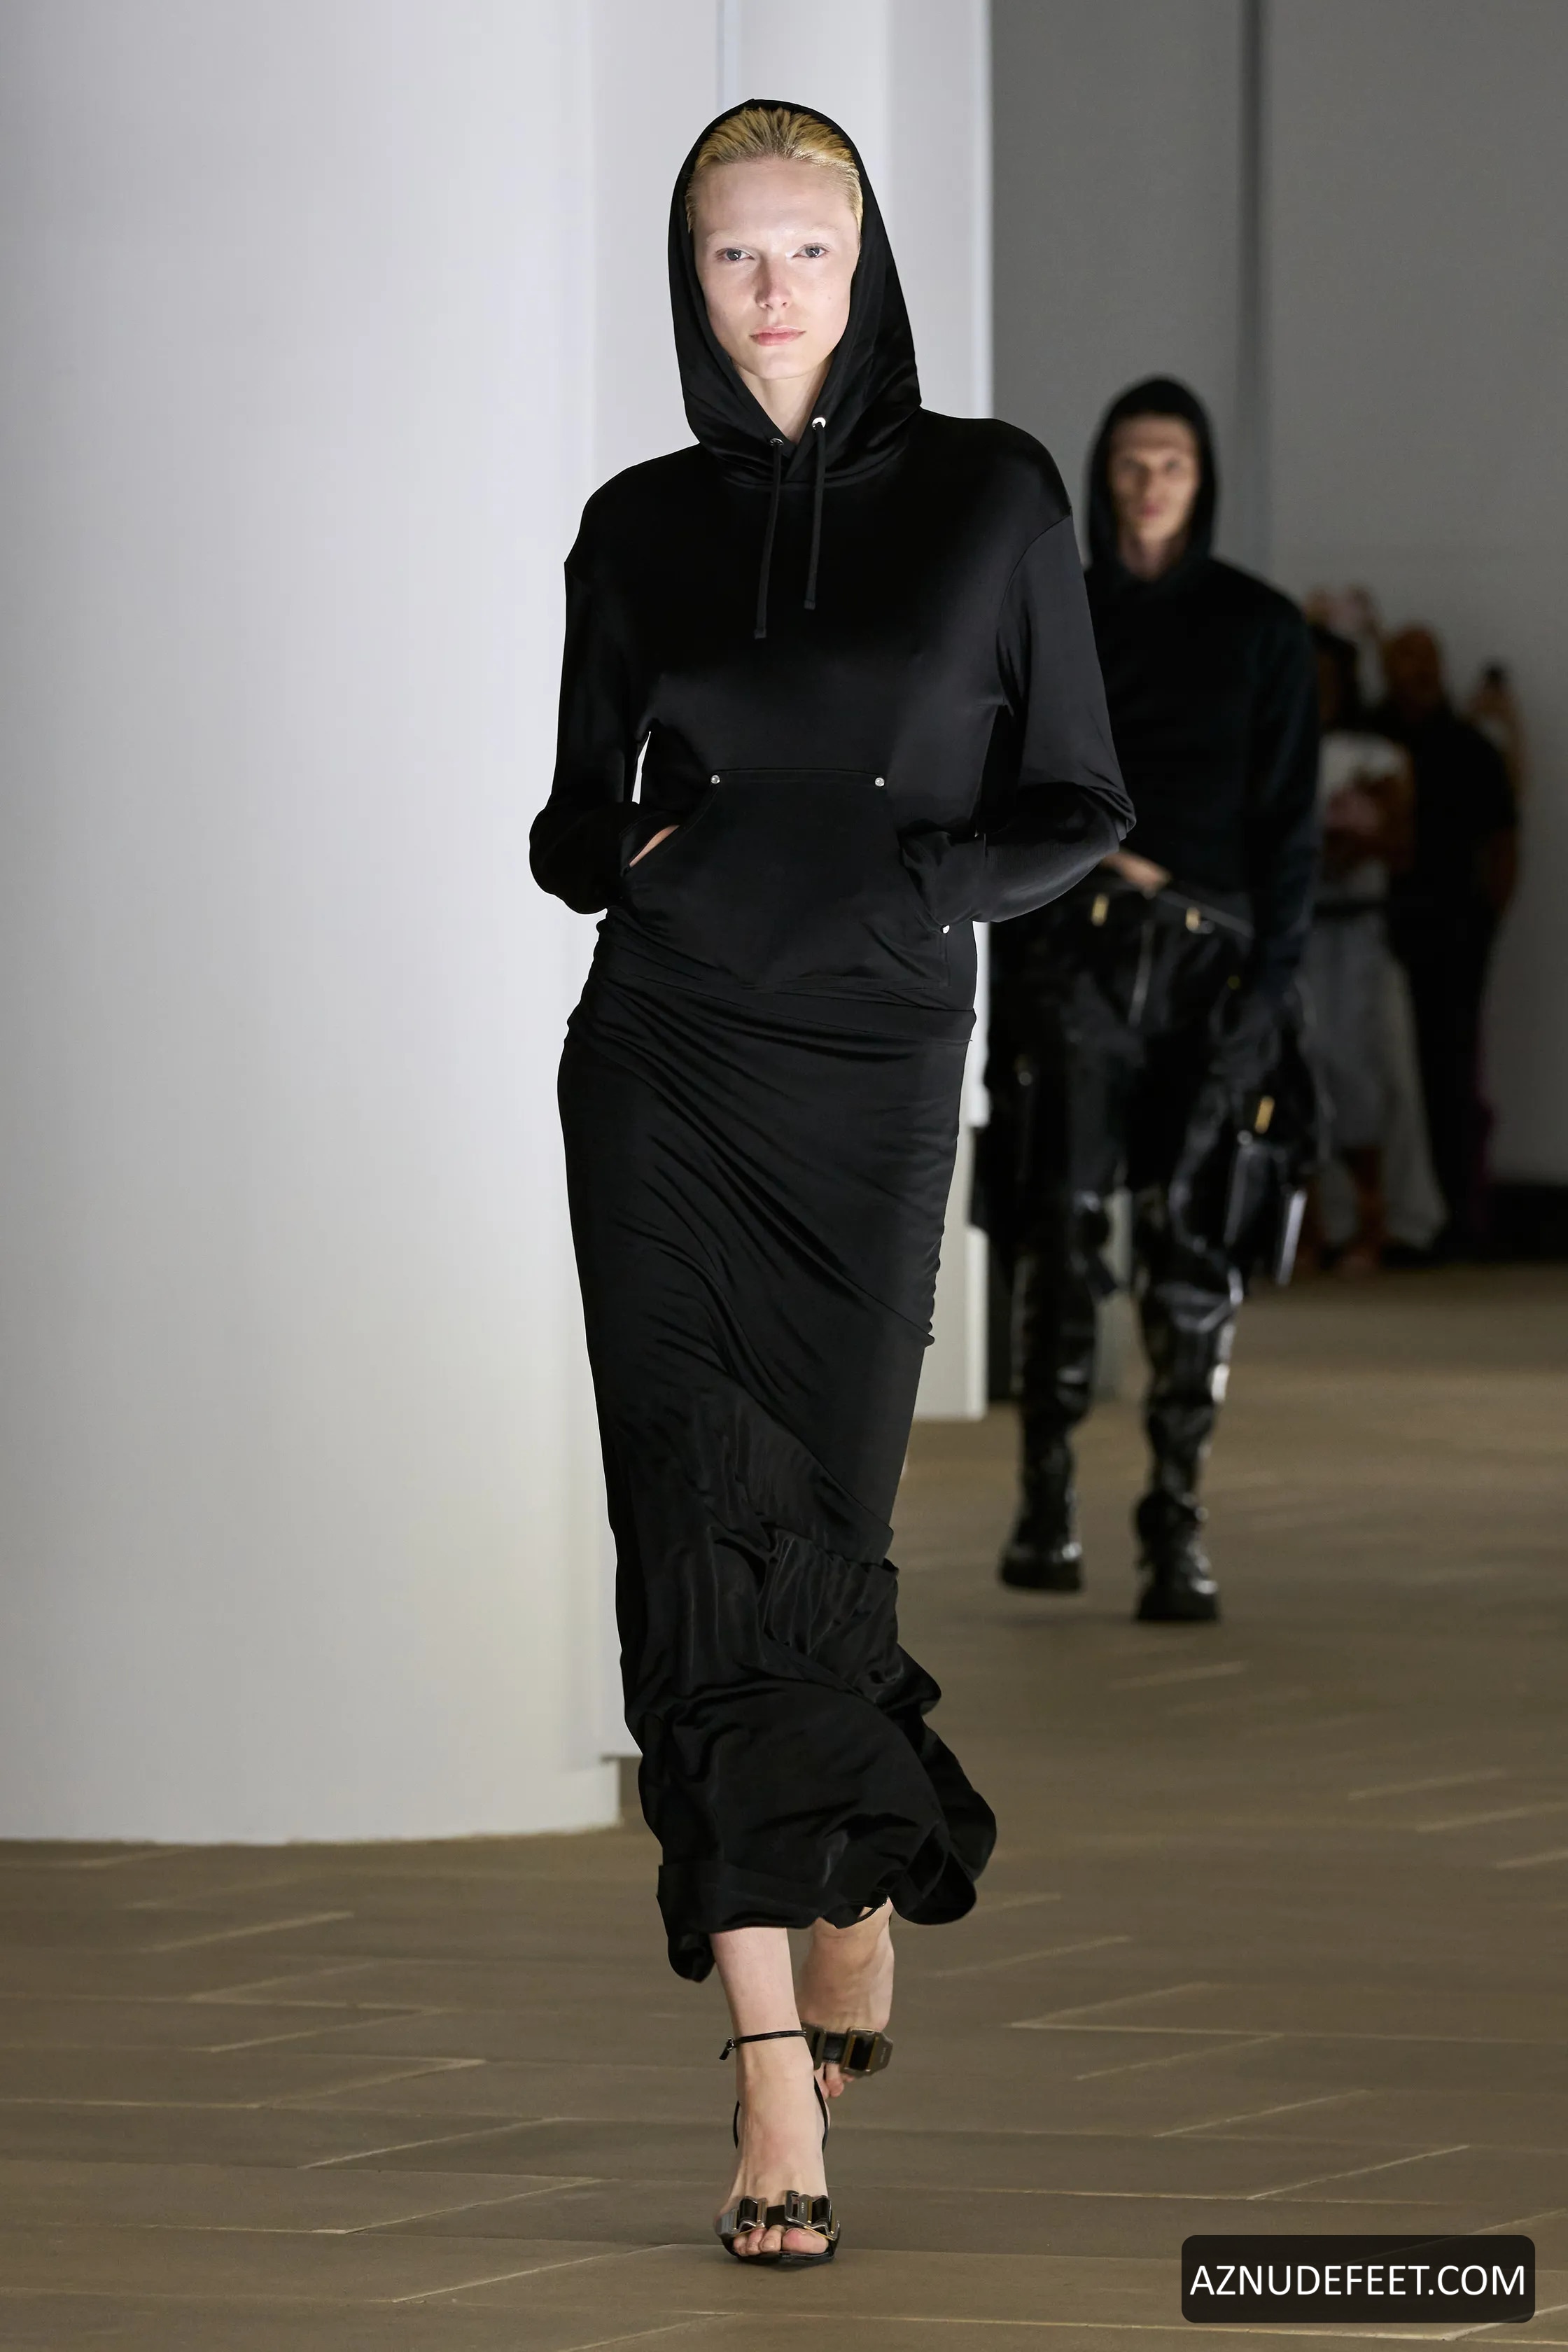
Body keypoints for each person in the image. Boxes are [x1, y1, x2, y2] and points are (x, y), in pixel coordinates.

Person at [531, 103, 1129, 2267]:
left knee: (821, 1537)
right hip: (664, 1061)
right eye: (731, 256)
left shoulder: (992, 495)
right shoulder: (634, 526)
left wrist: (914, 884)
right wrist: (634, 845)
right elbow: (565, 827)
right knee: (690, 1541)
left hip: (871, 1071)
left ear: (864, 266)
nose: (771, 292)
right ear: (684, 279)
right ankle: (768, 2068)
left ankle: (856, 1858)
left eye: (806, 249)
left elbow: (1078, 797)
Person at [988, 378, 1317, 1623]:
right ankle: (1046, 1503)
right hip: (1074, 948)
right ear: (1103, 473)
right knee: (1060, 1228)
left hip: (1211, 958)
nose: (1150, 484)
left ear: (1203, 476)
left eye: (1172, 462)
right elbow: (1003, 790)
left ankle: (1176, 1522)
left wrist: (1271, 991)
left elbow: (1291, 830)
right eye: (1131, 461)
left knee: (1195, 1242)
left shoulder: (1262, 630)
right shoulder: (1054, 616)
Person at [1373, 628, 1518, 1253]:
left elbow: (1503, 843)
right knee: (1381, 1078)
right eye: (1405, 659)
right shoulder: (1370, 740)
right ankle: (1386, 1217)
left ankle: (1456, 1219)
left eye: (1427, 659)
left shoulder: (1469, 749)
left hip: (1453, 931)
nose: (1417, 672)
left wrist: (1486, 924)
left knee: (1451, 1072)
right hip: (1376, 927)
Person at [1298, 626, 1413, 1274]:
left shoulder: (1377, 755)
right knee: (1301, 1063)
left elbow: (1402, 846)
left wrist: (1351, 842)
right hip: (1298, 928)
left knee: (1353, 1064)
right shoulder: (1281, 746)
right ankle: (1310, 1224)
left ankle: (1371, 1214)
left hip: (1354, 929)